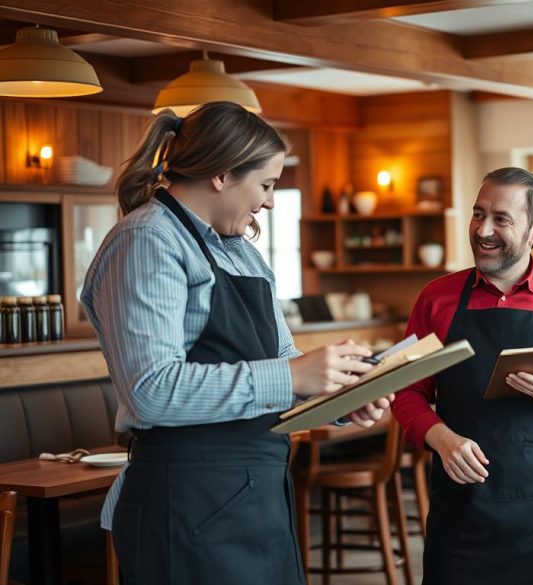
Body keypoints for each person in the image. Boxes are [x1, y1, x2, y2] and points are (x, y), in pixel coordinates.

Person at [81, 102, 391, 585]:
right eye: (266, 185)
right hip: (184, 503)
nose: (269, 202)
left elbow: (283, 361)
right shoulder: (146, 241)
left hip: (258, 497)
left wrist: (341, 396)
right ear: (222, 175)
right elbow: (151, 388)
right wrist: (293, 376)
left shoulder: (243, 252)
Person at [391, 168, 533, 585]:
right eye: (478, 214)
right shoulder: (436, 299)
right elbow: (405, 391)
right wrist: (442, 438)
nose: (483, 230)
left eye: (501, 219)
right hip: (462, 522)